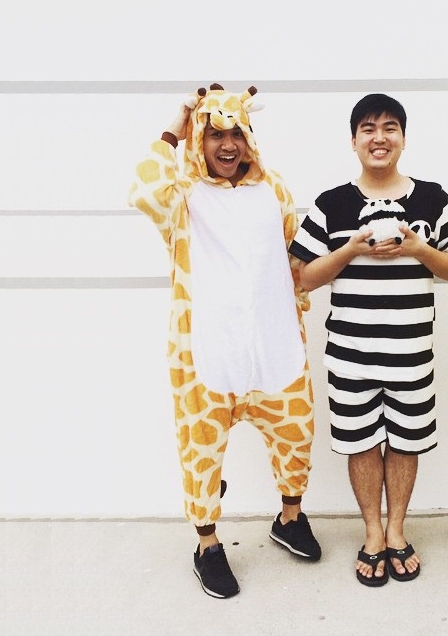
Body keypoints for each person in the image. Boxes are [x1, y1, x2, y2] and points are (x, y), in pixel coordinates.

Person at [127, 83, 321, 600]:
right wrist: (178, 121)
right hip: (205, 353)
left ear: (250, 137)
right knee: (201, 451)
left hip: (274, 345)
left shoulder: (274, 188)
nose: (228, 144)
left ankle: (290, 518)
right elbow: (143, 187)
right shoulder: (182, 196)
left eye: (236, 132)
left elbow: (293, 254)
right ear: (199, 139)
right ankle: (207, 545)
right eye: (215, 134)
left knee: (297, 437)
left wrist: (299, 306)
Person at [289, 93, 448, 587]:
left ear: (403, 139)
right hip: (350, 356)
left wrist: (418, 248)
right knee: (361, 443)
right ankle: (372, 532)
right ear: (354, 141)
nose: (379, 137)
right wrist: (349, 248)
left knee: (406, 442)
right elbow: (303, 278)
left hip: (411, 355)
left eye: (390, 127)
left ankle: (396, 531)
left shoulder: (434, 199)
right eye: (368, 128)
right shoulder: (331, 204)